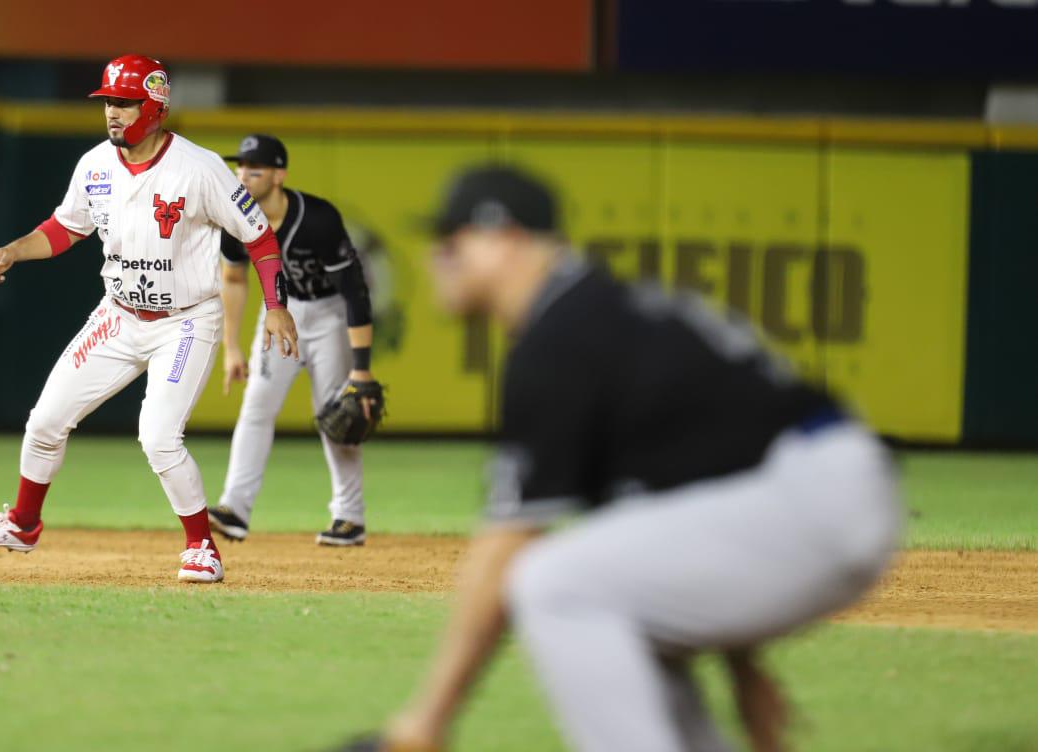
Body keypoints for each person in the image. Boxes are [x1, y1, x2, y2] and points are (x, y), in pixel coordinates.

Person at [352, 166, 902, 751]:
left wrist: (424, 723)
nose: (437, 257)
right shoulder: (600, 315)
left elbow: (506, 543)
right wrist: (744, 669)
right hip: (815, 488)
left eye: (451, 240)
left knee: (550, 583)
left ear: (504, 237)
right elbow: (699, 496)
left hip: (815, 492)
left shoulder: (561, 340)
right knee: (622, 613)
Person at [0, 55, 299, 584]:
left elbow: (259, 236)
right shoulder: (94, 165)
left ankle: (202, 546)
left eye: (124, 101)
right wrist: (14, 250)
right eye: (108, 101)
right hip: (118, 315)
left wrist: (275, 307)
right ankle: (21, 524)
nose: (112, 112)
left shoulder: (200, 168)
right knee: (44, 421)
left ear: (153, 106)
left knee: (157, 435)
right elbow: (66, 228)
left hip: (185, 319)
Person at [207, 134, 377, 546]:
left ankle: (349, 518)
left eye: (255, 169)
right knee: (256, 406)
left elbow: (355, 291)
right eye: (240, 167)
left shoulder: (317, 219)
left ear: (279, 175)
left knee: (336, 413)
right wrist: (230, 345)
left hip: (330, 313)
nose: (243, 175)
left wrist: (362, 368)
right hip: (279, 313)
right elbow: (232, 279)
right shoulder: (236, 218)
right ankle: (234, 510)